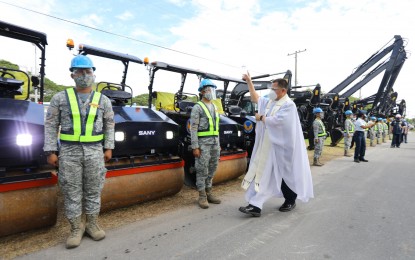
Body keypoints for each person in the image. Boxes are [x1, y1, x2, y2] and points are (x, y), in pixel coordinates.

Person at [44, 55, 115, 249]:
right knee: (72, 191)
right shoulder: (60, 98)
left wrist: (108, 148)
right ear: (72, 75)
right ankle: (76, 228)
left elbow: (110, 125)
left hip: (95, 152)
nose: (84, 75)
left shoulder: (104, 100)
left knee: (93, 190)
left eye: (88, 72)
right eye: (80, 72)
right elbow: (50, 126)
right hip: (69, 153)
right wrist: (51, 151)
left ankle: (92, 224)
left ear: (93, 74)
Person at [238, 72, 313, 217]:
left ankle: (290, 200)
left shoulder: (289, 105)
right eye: (271, 89)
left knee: (286, 175)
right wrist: (249, 82)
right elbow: (256, 98)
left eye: (274, 89)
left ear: (283, 91)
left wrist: (261, 117)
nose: (271, 92)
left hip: (282, 147)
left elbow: (280, 121)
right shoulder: (271, 101)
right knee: (263, 173)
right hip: (268, 146)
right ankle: (255, 205)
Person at [190, 78, 221, 209]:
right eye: (209, 89)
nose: (211, 92)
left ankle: (209, 192)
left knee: (213, 168)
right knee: (202, 169)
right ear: (202, 92)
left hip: (214, 143)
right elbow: (193, 128)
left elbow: (216, 127)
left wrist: (218, 143)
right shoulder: (198, 107)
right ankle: (202, 196)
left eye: (212, 89)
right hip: (203, 144)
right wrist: (195, 146)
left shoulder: (214, 106)